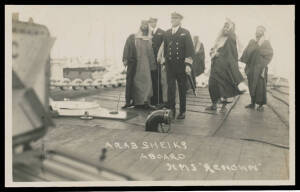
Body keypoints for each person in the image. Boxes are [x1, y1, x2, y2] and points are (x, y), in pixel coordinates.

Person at [206, 19, 244, 112]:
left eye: (228, 27)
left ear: (231, 29)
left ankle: (224, 107)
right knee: (212, 85)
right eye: (225, 27)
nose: (225, 29)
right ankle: (214, 104)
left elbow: (233, 53)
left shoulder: (231, 38)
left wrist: (221, 56)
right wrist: (213, 53)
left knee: (224, 86)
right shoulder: (219, 38)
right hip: (215, 66)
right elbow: (212, 49)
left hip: (225, 67)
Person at [163, 12, 195, 119]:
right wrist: (164, 63)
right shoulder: (167, 33)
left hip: (181, 66)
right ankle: (171, 110)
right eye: (172, 18)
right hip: (170, 66)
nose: (173, 20)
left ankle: (182, 111)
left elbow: (190, 50)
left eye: (175, 18)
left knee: (182, 89)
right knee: (170, 89)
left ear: (180, 20)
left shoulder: (185, 33)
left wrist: (188, 65)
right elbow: (165, 50)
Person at [122, 20, 156, 109]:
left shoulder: (150, 38)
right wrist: (125, 59)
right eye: (143, 24)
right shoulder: (132, 37)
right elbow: (127, 47)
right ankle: (131, 102)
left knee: (147, 82)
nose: (144, 26)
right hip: (134, 63)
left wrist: (153, 65)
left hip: (145, 64)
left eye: (146, 24)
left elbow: (151, 52)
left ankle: (146, 101)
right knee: (134, 82)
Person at [240, 25, 273, 111]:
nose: (259, 32)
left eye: (261, 30)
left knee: (260, 86)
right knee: (251, 85)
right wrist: (243, 58)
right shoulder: (252, 41)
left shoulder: (266, 42)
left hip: (260, 67)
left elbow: (270, 54)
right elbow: (246, 51)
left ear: (263, 33)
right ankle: (252, 103)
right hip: (251, 67)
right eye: (257, 30)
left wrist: (262, 64)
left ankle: (261, 105)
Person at [148, 17, 165, 106]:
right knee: (152, 79)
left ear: (156, 22)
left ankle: (160, 100)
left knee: (159, 79)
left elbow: (164, 46)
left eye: (153, 22)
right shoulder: (148, 33)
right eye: (150, 22)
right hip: (150, 60)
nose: (152, 23)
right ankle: (154, 100)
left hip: (158, 60)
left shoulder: (162, 32)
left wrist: (162, 58)